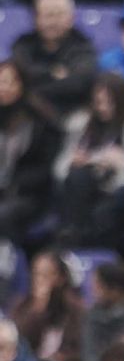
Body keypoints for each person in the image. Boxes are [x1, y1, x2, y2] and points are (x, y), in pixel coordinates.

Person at [55, 73, 124, 248]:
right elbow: (60, 168)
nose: (104, 108)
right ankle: (74, 243)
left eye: (110, 102)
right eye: (99, 102)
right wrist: (78, 160)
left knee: (103, 212)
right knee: (78, 178)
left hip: (120, 189)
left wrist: (117, 162)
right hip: (85, 189)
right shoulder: (82, 122)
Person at [0, 59, 64, 243]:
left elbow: (45, 168)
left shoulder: (41, 120)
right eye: (1, 81)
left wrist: (13, 183)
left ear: (23, 85)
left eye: (11, 82)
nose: (5, 87)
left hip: (27, 194)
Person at [10, 0, 98, 120]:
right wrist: (51, 73)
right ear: (35, 18)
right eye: (48, 15)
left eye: (59, 15)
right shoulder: (23, 44)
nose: (53, 22)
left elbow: (79, 83)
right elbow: (19, 73)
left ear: (71, 18)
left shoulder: (83, 46)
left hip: (70, 112)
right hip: (25, 113)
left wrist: (31, 91)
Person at [82, 262, 124, 361]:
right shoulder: (93, 316)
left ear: (115, 290)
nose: (93, 291)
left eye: (98, 286)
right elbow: (89, 355)